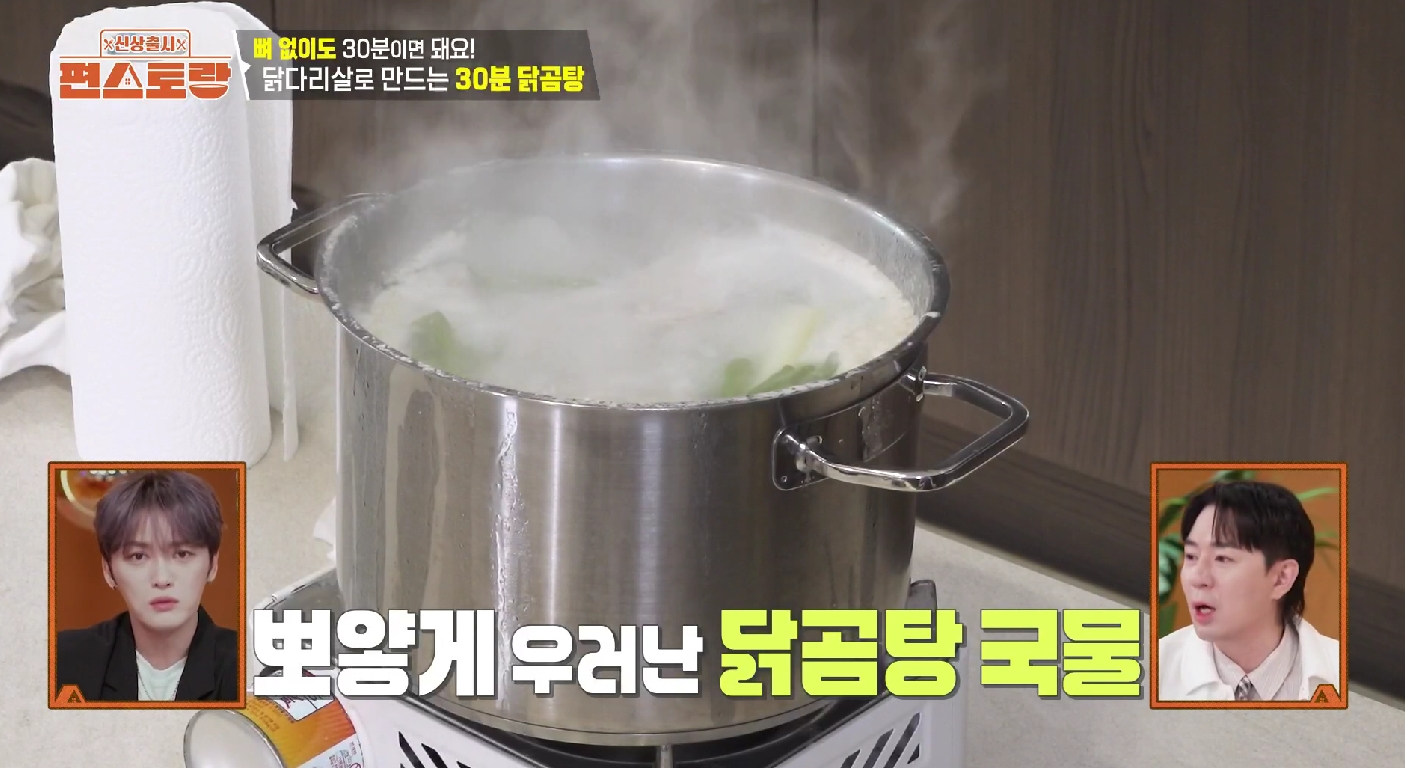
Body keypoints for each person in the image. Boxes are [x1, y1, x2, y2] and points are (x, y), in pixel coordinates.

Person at [54, 470, 240, 703]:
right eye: (138, 556)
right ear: (108, 570)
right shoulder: (63, 660)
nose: (161, 579)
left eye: (182, 554)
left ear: (213, 564)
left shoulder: (246, 665)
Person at [1158, 480, 1340, 701]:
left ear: (1281, 578)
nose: (1197, 578)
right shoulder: (1151, 670)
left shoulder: (1341, 675)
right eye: (1191, 556)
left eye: (1222, 558)